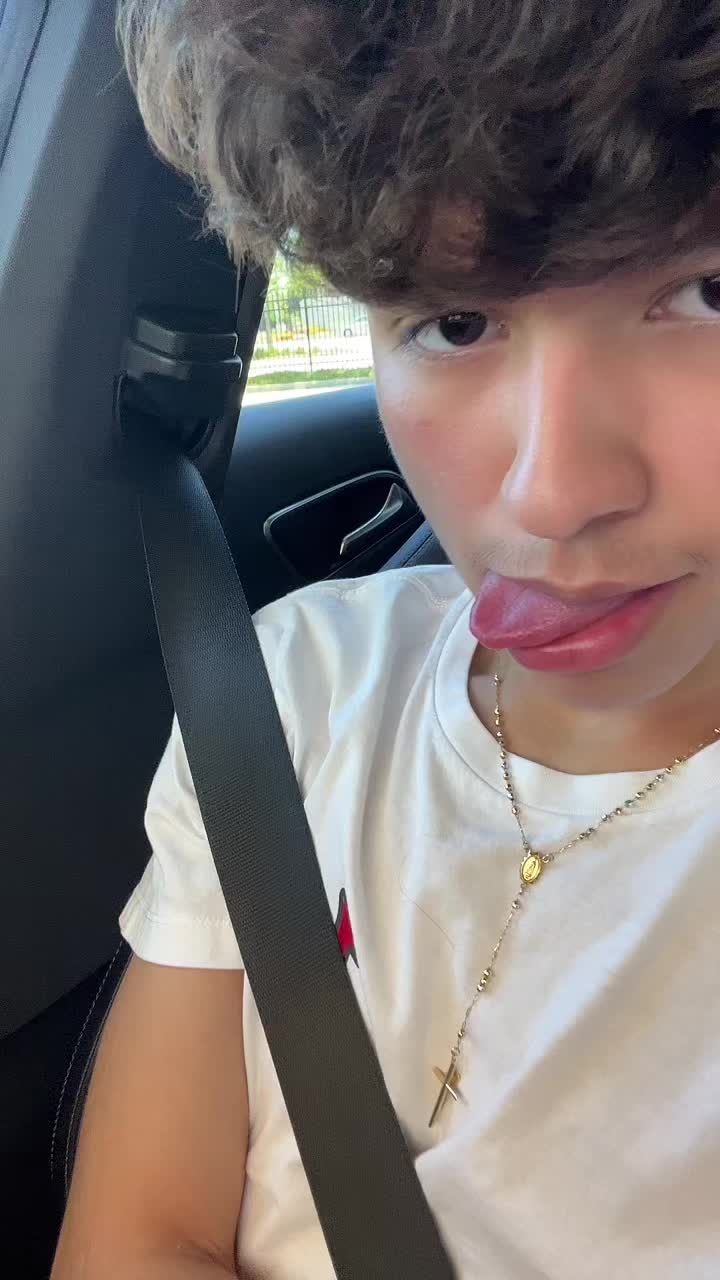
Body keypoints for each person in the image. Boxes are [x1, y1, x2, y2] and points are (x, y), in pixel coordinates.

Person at [52, 1, 720, 1276]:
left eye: (706, 289)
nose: (547, 492)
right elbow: (134, 1236)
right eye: (454, 320)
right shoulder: (294, 689)